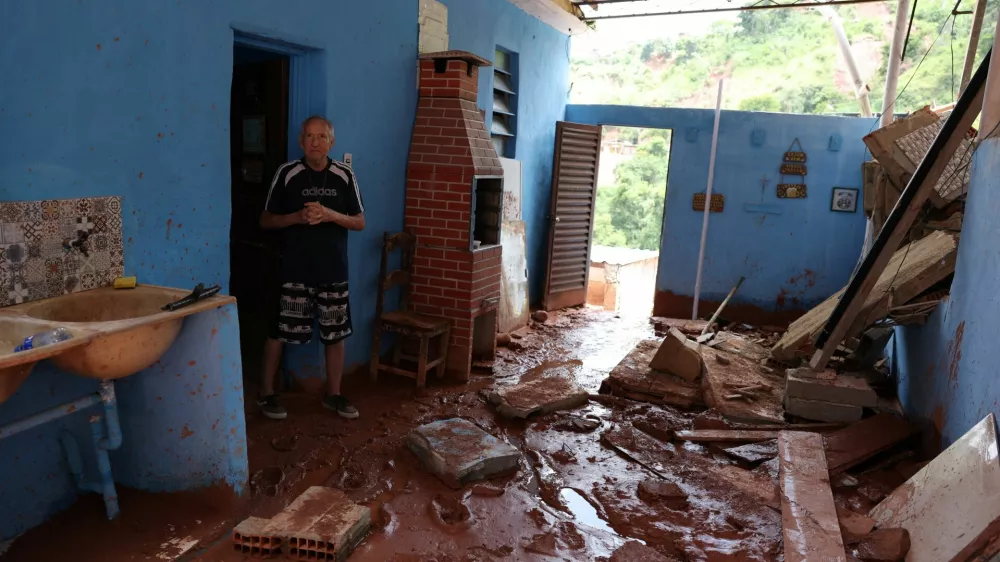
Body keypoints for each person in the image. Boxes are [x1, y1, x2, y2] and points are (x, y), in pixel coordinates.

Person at [256, 115, 365, 420]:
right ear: (301, 141)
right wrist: (296, 218)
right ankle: (266, 394)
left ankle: (334, 395)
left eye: (321, 137)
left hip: (333, 269)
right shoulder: (287, 173)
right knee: (278, 330)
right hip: (294, 269)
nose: (315, 143)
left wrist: (331, 214)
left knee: (335, 332)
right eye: (309, 136)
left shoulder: (345, 175)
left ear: (331, 142)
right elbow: (265, 221)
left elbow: (359, 222)